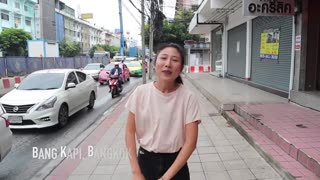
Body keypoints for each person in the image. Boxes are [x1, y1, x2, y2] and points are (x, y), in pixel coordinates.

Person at [125, 43, 201, 180]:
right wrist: (136, 172)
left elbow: (191, 143)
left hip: (176, 165)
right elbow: (129, 132)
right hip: (145, 162)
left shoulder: (188, 98)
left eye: (175, 60)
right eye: (163, 58)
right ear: (155, 64)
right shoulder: (140, 93)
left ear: (181, 68)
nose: (168, 64)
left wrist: (166, 178)